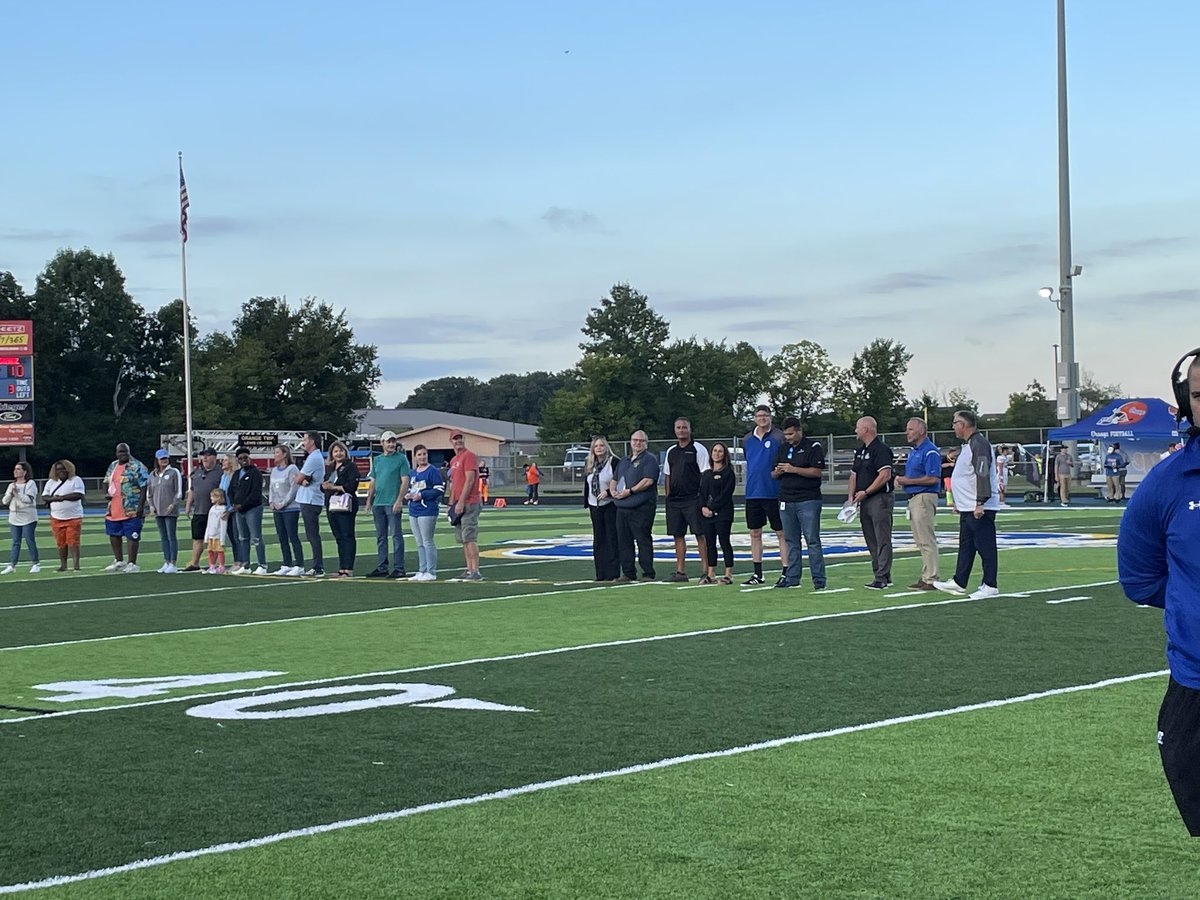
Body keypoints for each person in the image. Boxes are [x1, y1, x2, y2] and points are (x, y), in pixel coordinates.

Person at [1118, 348, 1200, 836]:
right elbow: (1139, 578)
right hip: (1195, 682)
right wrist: (1191, 601)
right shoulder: (1167, 482)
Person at [932, 410, 1000, 600]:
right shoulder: (969, 445)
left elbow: (982, 472)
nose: (953, 426)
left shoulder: (979, 444)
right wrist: (960, 502)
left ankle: (990, 585)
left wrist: (980, 502)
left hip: (979, 506)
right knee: (966, 546)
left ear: (963, 424)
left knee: (985, 546)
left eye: (955, 423)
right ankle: (959, 581)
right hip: (967, 506)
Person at [771, 418, 827, 590]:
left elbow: (817, 472)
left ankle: (819, 579)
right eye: (786, 434)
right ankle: (792, 577)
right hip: (786, 499)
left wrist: (793, 469)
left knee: (812, 540)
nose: (788, 437)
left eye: (791, 434)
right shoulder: (783, 448)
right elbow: (772, 474)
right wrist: (778, 471)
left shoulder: (813, 447)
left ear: (799, 431)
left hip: (808, 499)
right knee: (791, 540)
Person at [741, 405, 788, 586]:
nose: (762, 418)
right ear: (754, 418)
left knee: (781, 532)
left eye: (765, 415)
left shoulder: (779, 437)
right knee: (755, 532)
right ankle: (757, 574)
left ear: (770, 417)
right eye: (759, 415)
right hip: (753, 493)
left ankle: (786, 571)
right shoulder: (747, 439)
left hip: (774, 492)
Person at [894, 417, 941, 590]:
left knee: (926, 539)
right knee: (921, 540)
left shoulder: (930, 451)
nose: (907, 432)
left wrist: (906, 481)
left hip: (923, 496)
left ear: (921, 430)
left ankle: (931, 578)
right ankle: (927, 575)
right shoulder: (916, 451)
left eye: (911, 429)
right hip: (915, 497)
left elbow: (933, 478)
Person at [847, 416, 894, 589]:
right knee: (871, 539)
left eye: (858, 427)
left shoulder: (881, 450)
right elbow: (854, 475)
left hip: (879, 498)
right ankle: (881, 574)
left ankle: (881, 576)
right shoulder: (860, 451)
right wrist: (850, 498)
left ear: (866, 429)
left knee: (882, 537)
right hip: (864, 500)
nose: (855, 431)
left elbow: (885, 475)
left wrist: (866, 491)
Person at [661, 417, 710, 582]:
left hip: (693, 499)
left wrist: (703, 499)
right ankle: (680, 572)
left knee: (700, 534)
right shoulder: (671, 451)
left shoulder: (698, 449)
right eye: (678, 427)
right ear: (674, 430)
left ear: (690, 429)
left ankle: (706, 571)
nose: (681, 430)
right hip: (675, 501)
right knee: (678, 535)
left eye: (684, 427)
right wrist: (668, 495)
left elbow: (705, 474)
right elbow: (667, 475)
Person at [612, 430, 660, 583]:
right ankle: (628, 572)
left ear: (646, 443)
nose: (637, 443)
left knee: (642, 540)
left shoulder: (649, 459)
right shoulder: (624, 460)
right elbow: (615, 479)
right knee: (624, 541)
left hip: (642, 507)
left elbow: (648, 480)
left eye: (641, 440)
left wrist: (630, 491)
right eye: (635, 440)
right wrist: (613, 491)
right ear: (631, 442)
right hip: (622, 507)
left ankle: (648, 573)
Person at [365, 430, 410, 579]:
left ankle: (399, 567)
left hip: (392, 502)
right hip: (379, 503)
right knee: (381, 537)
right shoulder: (377, 460)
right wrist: (369, 500)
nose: (391, 444)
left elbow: (405, 480)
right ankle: (382, 566)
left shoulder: (401, 459)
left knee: (396, 535)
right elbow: (373, 481)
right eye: (388, 441)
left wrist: (399, 500)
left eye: (393, 441)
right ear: (382, 443)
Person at [103, 442, 149, 573]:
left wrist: (141, 506)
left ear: (129, 452)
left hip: (132, 506)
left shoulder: (137, 466)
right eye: (120, 452)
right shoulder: (113, 465)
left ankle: (132, 563)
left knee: (132, 535)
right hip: (114, 506)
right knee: (114, 534)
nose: (123, 454)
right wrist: (106, 493)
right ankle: (119, 560)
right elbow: (106, 481)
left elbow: (144, 486)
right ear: (116, 453)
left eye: (125, 451)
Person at [699, 441, 737, 585]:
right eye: (714, 451)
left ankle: (728, 574)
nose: (717, 453)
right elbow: (701, 493)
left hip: (723, 513)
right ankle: (711, 574)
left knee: (724, 541)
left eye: (720, 451)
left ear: (724, 454)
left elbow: (726, 494)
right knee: (710, 543)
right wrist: (703, 507)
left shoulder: (728, 473)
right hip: (707, 515)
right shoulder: (706, 474)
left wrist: (713, 508)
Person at [447, 431, 483, 581]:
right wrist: (451, 503)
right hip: (458, 503)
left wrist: (461, 500)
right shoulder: (454, 460)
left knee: (469, 537)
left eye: (460, 438)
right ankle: (469, 569)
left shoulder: (469, 456)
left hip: (469, 501)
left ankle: (475, 570)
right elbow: (454, 483)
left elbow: (470, 480)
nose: (458, 441)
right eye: (455, 439)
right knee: (463, 539)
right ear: (451, 441)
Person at [320, 440, 360, 577]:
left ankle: (348, 568)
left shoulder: (350, 466)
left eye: (341, 450)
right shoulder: (330, 468)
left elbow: (352, 486)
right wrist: (324, 486)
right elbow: (323, 486)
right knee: (338, 537)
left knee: (347, 536)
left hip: (346, 504)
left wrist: (335, 487)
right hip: (331, 505)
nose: (338, 453)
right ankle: (342, 568)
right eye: (335, 451)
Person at [405, 444, 444, 581]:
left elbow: (439, 489)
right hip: (413, 509)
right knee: (419, 542)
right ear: (415, 457)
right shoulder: (412, 473)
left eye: (424, 454)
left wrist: (423, 495)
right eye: (419, 454)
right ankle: (422, 570)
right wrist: (409, 495)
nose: (422, 457)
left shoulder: (433, 471)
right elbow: (411, 488)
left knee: (427, 541)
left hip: (427, 509)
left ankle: (431, 571)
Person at [583, 435, 619, 582]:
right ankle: (601, 573)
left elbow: (621, 482)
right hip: (594, 506)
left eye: (601, 445)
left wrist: (609, 492)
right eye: (596, 446)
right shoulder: (590, 464)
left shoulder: (613, 462)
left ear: (606, 447)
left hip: (610, 505)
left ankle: (613, 572)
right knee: (599, 539)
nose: (599, 448)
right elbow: (588, 483)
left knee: (611, 538)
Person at [227, 447, 267, 575]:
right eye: (240, 458)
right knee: (243, 538)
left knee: (256, 537)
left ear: (249, 458)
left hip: (252, 509)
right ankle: (245, 565)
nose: (243, 460)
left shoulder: (255, 473)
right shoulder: (237, 473)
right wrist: (233, 503)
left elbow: (255, 493)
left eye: (245, 458)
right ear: (237, 460)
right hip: (239, 510)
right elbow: (230, 490)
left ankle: (262, 565)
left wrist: (242, 505)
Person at [183, 448, 223, 571]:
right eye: (203, 455)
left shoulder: (220, 472)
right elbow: (192, 490)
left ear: (214, 457)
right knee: (197, 537)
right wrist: (188, 505)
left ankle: (213, 565)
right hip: (199, 510)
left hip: (214, 511)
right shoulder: (197, 472)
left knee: (213, 539)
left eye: (208, 455)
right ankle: (195, 563)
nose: (205, 458)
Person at [42, 459, 85, 571]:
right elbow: (44, 496)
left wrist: (62, 497)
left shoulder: (76, 480)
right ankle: (63, 565)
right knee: (60, 542)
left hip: (73, 516)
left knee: (73, 541)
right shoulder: (51, 482)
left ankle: (76, 565)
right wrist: (54, 499)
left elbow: (78, 495)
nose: (61, 471)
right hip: (56, 517)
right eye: (58, 469)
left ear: (69, 469)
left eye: (63, 469)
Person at [268, 444, 304, 575]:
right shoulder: (274, 470)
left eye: (277, 452)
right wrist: (271, 502)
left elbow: (293, 488)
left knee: (292, 535)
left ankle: (299, 564)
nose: (275, 455)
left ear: (284, 454)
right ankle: (286, 563)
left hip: (290, 508)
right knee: (282, 537)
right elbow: (271, 488)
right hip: (277, 508)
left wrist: (283, 503)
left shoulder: (292, 468)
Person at [295, 431, 326, 577]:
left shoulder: (314, 457)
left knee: (312, 534)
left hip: (311, 499)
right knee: (311, 534)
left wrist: (301, 480)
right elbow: (301, 479)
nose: (303, 442)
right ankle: (317, 566)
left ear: (312, 441)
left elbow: (298, 478)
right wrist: (302, 480)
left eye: (305, 439)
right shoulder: (313, 457)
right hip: (308, 499)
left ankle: (318, 567)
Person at [146, 449, 182, 573]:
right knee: (163, 537)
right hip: (158, 510)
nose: (164, 460)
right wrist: (151, 506)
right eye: (162, 459)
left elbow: (178, 492)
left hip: (170, 510)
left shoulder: (174, 472)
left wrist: (173, 504)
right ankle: (166, 561)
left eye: (166, 458)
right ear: (157, 460)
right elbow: (149, 493)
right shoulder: (152, 475)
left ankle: (173, 562)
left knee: (171, 536)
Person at [2, 461, 40, 575]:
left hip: (28, 517)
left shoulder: (30, 484)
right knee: (15, 542)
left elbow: (29, 499)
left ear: (25, 472)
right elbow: (4, 501)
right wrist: (11, 493)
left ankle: (35, 563)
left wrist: (17, 494)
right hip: (14, 517)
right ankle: (12, 565)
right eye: (15, 469)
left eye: (18, 469)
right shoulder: (11, 485)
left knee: (29, 540)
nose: (15, 471)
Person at [204, 487, 229, 574]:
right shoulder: (212, 508)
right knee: (210, 550)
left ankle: (221, 566)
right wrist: (206, 536)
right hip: (211, 535)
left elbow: (223, 525)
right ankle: (212, 566)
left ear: (218, 497)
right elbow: (209, 523)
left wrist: (222, 539)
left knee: (220, 551)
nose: (211, 498)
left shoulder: (223, 509)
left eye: (212, 496)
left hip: (218, 535)